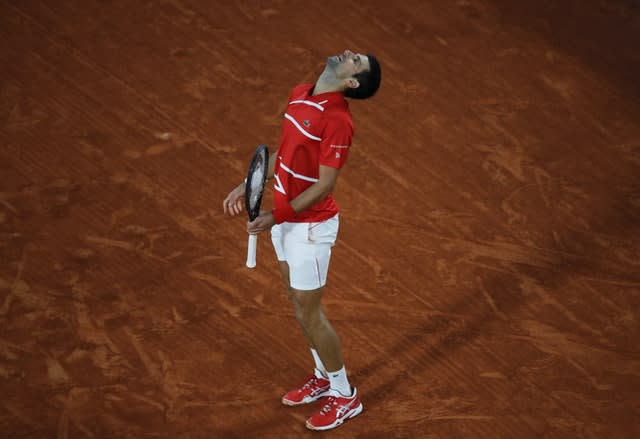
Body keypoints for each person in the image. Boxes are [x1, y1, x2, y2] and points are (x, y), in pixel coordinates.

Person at [223, 49, 381, 431]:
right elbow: (285, 151)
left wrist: (276, 215)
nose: (348, 55)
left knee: (311, 312)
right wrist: (248, 184)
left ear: (351, 82)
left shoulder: (340, 121)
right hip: (284, 219)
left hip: (309, 226)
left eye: (355, 61)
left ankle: (345, 396)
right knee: (297, 304)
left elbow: (326, 184)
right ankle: (323, 376)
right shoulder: (301, 92)